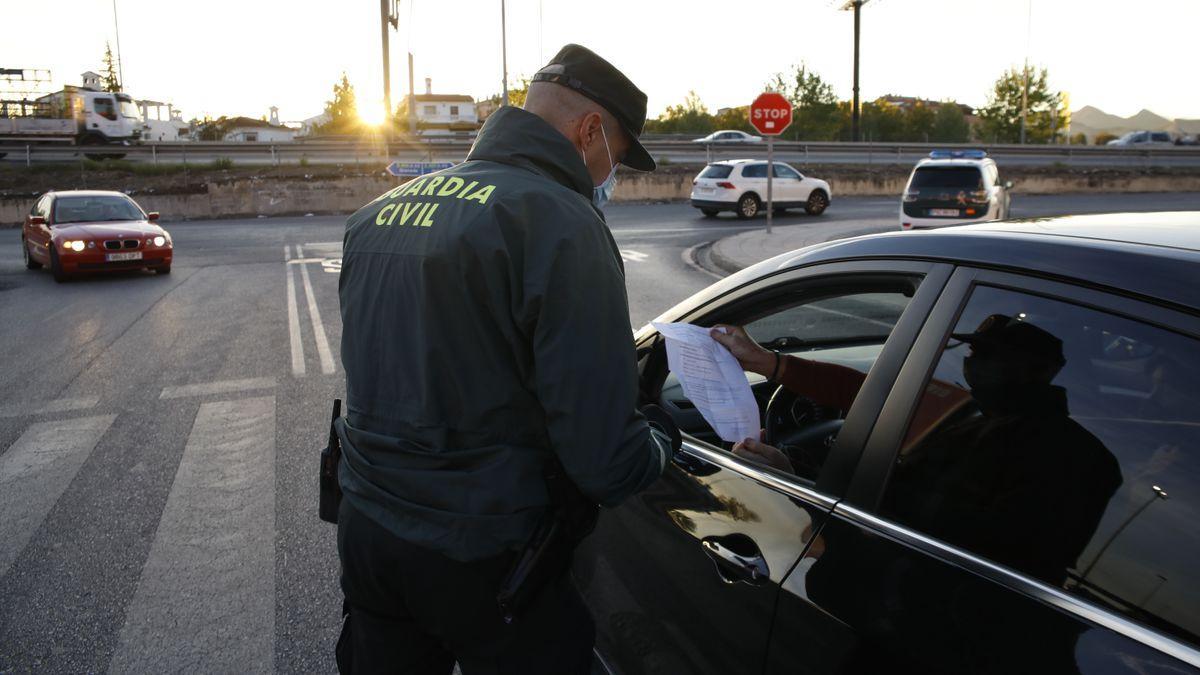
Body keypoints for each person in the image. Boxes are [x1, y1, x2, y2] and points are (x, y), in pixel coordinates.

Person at [334, 44, 679, 674]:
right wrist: (663, 437)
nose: (612, 170)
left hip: (368, 532)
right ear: (591, 130)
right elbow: (604, 461)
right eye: (620, 155)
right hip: (483, 553)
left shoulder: (379, 214)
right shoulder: (563, 225)